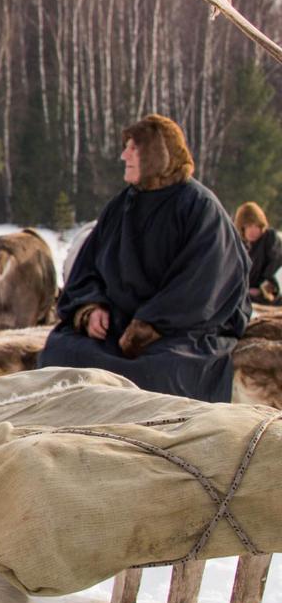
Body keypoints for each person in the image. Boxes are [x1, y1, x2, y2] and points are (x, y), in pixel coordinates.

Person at [38, 114, 250, 402]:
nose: (124, 155)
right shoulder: (121, 205)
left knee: (162, 371)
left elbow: (204, 284)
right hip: (119, 325)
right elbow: (88, 267)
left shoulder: (200, 208)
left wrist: (149, 325)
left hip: (180, 329)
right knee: (61, 350)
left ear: (158, 154)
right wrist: (90, 308)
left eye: (134, 148)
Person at [234, 201, 282, 304]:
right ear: (243, 228)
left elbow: (274, 266)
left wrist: (261, 289)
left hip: (268, 294)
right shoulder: (239, 245)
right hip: (243, 295)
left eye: (256, 226)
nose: (253, 230)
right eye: (249, 226)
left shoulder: (270, 238)